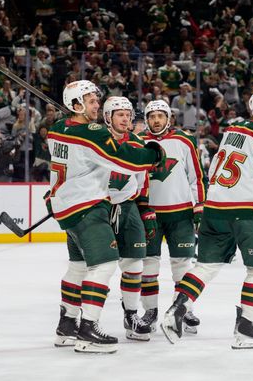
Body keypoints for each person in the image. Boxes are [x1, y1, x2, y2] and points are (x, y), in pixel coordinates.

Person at [161, 89, 253, 350]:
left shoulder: (233, 130)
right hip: (245, 212)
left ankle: (177, 310)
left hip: (214, 208)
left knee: (205, 266)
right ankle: (245, 327)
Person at [51, 80, 163, 354]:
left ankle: (66, 326)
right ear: (76, 105)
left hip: (66, 206)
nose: (96, 104)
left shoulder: (56, 129)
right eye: (90, 101)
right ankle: (88, 329)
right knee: (104, 265)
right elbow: (124, 160)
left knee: (78, 266)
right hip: (87, 207)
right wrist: (153, 155)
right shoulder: (93, 133)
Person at [138, 99, 206, 334]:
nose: (156, 120)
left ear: (169, 118)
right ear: (146, 120)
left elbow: (196, 177)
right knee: (148, 266)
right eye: (152, 116)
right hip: (150, 215)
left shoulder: (184, 141)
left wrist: (200, 207)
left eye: (160, 116)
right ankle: (150, 312)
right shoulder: (139, 143)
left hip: (181, 214)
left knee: (182, 266)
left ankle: (183, 308)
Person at [101, 96, 152, 341]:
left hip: (128, 206)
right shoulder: (96, 141)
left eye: (128, 115)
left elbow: (142, 182)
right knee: (95, 267)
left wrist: (144, 210)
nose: (125, 119)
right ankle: (84, 318)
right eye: (119, 114)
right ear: (107, 117)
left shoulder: (138, 143)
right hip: (97, 207)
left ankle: (131, 315)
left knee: (134, 264)